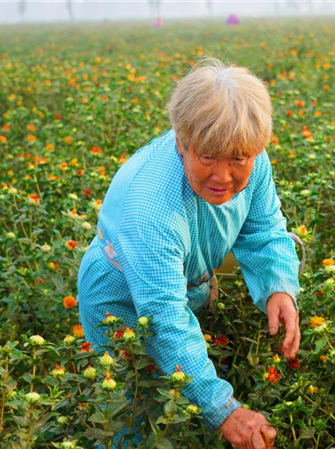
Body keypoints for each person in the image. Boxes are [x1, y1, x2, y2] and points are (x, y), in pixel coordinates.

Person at [76, 58, 302, 448]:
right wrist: (224, 410)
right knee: (133, 413)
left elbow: (264, 228)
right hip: (121, 298)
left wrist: (279, 288)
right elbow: (163, 316)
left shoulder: (252, 155)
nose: (223, 175)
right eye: (208, 156)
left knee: (181, 403)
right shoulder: (150, 208)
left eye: (238, 159)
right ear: (181, 142)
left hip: (187, 280)